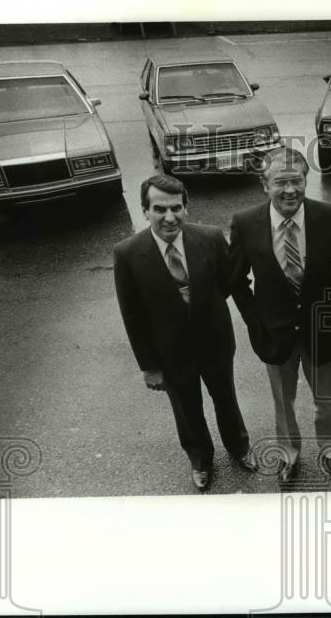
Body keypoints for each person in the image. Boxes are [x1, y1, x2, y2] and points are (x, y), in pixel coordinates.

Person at [114, 174, 256, 492]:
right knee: (187, 409)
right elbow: (132, 314)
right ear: (145, 211)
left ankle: (239, 447)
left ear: (186, 208)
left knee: (226, 400)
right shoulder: (127, 253)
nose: (169, 217)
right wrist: (149, 366)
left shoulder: (210, 238)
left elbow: (228, 285)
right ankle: (200, 459)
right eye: (159, 209)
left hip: (216, 344)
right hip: (170, 353)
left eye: (176, 208)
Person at [229, 147, 331, 485]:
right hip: (274, 333)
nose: (290, 190)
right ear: (264, 184)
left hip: (322, 331)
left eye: (296, 181)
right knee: (282, 403)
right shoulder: (245, 223)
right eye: (280, 182)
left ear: (306, 180)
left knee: (326, 400)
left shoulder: (330, 217)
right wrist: (255, 324)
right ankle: (289, 455)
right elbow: (235, 280)